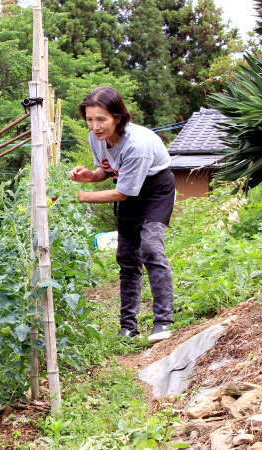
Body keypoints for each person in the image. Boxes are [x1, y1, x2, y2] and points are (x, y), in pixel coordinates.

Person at [70, 86, 175, 344]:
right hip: (128, 189)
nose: (95, 126)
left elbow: (122, 194)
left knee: (150, 248)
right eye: (90, 119)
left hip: (155, 190)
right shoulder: (96, 137)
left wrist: (78, 196)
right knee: (127, 257)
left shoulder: (137, 145)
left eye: (101, 119)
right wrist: (90, 177)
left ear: (118, 117)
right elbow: (106, 169)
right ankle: (128, 327)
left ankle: (163, 322)